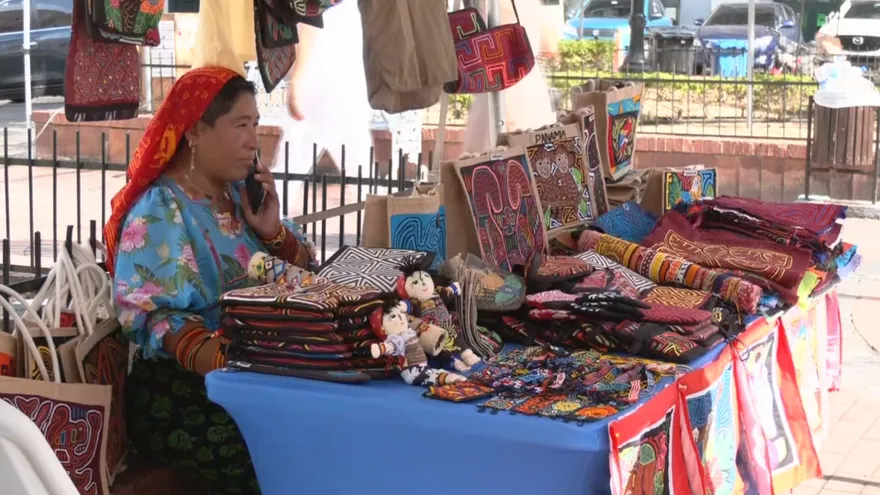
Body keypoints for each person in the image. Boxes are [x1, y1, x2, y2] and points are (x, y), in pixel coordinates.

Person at [103, 66, 316, 495]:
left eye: (255, 125)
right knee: (278, 455)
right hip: (184, 392)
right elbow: (159, 319)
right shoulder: (160, 211)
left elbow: (308, 275)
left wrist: (273, 231)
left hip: (255, 374)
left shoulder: (241, 198)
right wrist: (242, 368)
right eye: (241, 125)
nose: (254, 141)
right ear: (196, 131)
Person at [275, 0, 374, 175]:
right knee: (361, 173)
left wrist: (296, 81)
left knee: (290, 169)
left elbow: (309, 25)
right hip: (350, 83)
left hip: (318, 82)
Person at [462, 0, 557, 153]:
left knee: (491, 153)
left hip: (499, 81)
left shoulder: (489, 3)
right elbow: (551, 46)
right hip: (529, 82)